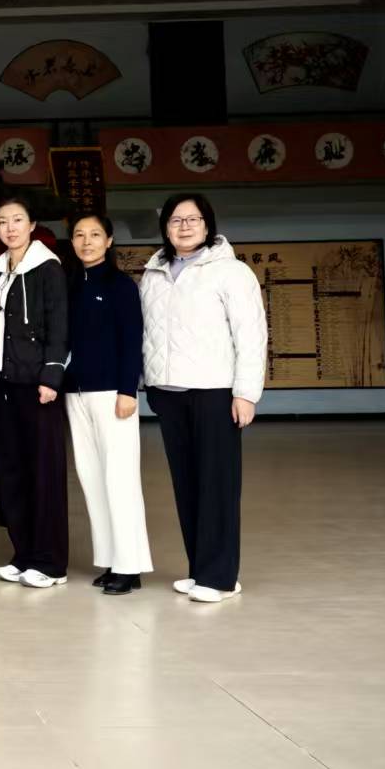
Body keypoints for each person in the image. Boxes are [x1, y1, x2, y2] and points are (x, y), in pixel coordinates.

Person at [141, 193, 266, 603]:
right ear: (165, 228)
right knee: (188, 485)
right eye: (176, 220)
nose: (184, 226)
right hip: (169, 394)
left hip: (214, 392)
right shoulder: (154, 273)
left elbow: (251, 336)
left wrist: (245, 393)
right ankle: (200, 570)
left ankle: (220, 578)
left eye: (192, 219)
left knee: (218, 485)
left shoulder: (232, 272)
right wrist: (148, 384)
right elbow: (148, 334)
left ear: (208, 225)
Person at [0, 194, 71, 590]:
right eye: (3, 221)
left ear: (32, 225)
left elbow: (60, 325)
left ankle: (50, 562)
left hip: (37, 385)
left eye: (17, 220)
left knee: (43, 472)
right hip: (3, 382)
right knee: (11, 470)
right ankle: (23, 554)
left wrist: (51, 377)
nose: (10, 228)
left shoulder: (47, 268)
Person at [65, 213, 152, 596]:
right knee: (91, 477)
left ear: (109, 240)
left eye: (95, 235)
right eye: (79, 235)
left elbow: (133, 340)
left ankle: (130, 565)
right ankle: (111, 559)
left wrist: (128, 390)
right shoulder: (70, 286)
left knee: (120, 479)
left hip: (112, 394)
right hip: (75, 393)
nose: (87, 242)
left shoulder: (121, 286)